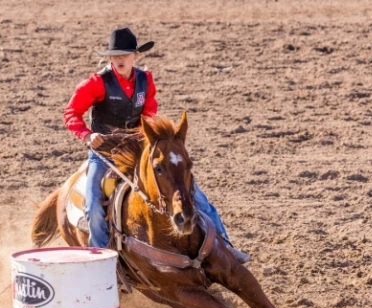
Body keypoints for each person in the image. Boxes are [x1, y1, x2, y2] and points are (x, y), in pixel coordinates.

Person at [63, 27, 250, 264]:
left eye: (125, 54)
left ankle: (225, 245)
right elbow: (71, 113)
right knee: (93, 205)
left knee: (196, 195)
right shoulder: (96, 83)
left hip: (140, 150)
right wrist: (87, 136)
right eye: (115, 55)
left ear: (135, 56)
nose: (119, 59)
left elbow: (150, 112)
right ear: (110, 58)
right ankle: (100, 261)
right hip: (105, 154)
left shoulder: (145, 80)